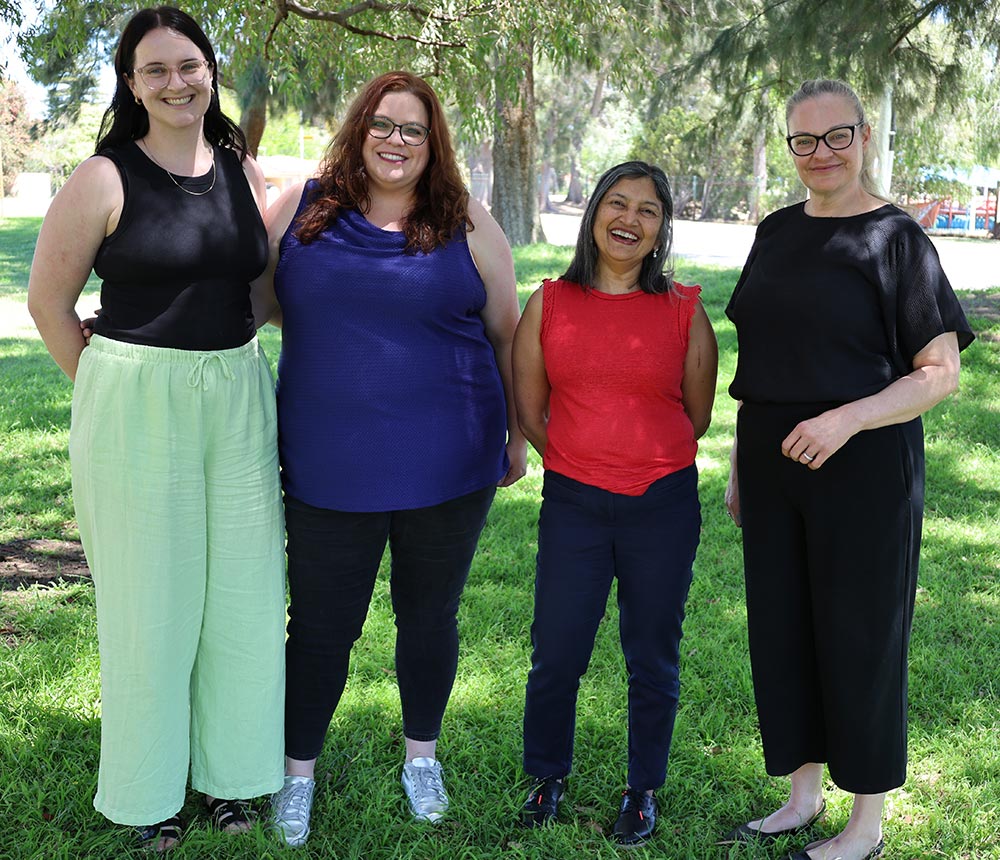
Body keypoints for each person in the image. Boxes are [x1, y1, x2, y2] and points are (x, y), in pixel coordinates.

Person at [27, 6, 286, 853]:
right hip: (139, 398)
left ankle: (233, 780)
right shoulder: (104, 177)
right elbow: (49, 304)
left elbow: (258, 290)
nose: (176, 82)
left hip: (240, 391)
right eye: (155, 69)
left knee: (244, 597)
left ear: (211, 70)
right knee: (151, 605)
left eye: (189, 65)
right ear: (131, 85)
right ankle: (146, 797)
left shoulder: (242, 166)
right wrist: (115, 392)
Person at [254, 71, 526, 847]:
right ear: (358, 128)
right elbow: (243, 308)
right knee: (319, 629)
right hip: (328, 468)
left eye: (413, 128)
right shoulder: (303, 209)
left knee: (429, 617)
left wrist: (516, 437)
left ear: (433, 141)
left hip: (449, 466)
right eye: (383, 123)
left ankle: (421, 759)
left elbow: (507, 332)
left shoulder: (466, 220)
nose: (396, 140)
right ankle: (296, 774)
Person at [720, 79, 974, 860]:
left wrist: (848, 418)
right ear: (790, 147)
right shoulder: (774, 231)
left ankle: (865, 823)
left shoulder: (897, 240)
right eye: (805, 140)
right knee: (783, 628)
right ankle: (801, 795)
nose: (821, 153)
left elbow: (941, 371)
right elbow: (757, 363)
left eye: (837, 137)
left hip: (865, 467)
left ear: (863, 138)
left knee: (860, 637)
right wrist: (739, 466)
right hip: (773, 467)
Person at [512, 161, 718, 846]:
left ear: (662, 228)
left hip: (661, 504)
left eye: (648, 211)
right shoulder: (549, 302)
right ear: (594, 211)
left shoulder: (685, 309)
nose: (629, 220)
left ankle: (643, 789)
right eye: (618, 204)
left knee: (652, 653)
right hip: (574, 501)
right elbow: (532, 410)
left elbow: (697, 417)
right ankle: (546, 775)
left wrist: (641, 459)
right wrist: (583, 458)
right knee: (558, 650)